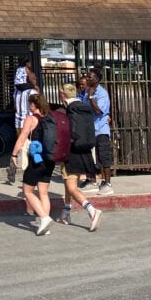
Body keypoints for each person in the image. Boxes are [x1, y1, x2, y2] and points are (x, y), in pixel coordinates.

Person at [56, 85, 103, 231]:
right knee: (67, 181)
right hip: (85, 150)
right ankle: (66, 211)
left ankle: (92, 211)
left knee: (72, 186)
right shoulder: (84, 108)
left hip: (71, 151)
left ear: (62, 95)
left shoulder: (68, 110)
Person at [9, 93, 55, 235]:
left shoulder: (31, 119)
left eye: (30, 104)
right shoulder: (50, 118)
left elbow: (23, 137)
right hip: (49, 158)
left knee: (27, 190)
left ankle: (44, 218)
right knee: (43, 192)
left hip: (37, 158)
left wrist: (14, 154)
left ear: (33, 105)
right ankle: (44, 224)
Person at [7, 72, 37, 186]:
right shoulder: (32, 92)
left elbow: (15, 106)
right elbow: (38, 106)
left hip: (18, 122)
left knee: (20, 146)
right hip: (30, 123)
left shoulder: (17, 91)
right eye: (33, 78)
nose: (35, 80)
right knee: (29, 149)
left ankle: (12, 166)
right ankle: (26, 173)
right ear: (28, 80)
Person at [87, 67, 114, 195]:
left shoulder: (102, 93)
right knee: (93, 157)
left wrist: (91, 97)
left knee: (104, 156)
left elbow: (98, 111)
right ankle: (92, 180)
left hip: (101, 129)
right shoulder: (88, 91)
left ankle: (107, 182)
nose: (87, 79)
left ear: (96, 80)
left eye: (90, 77)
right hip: (90, 128)